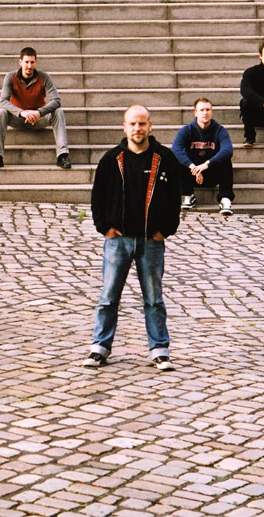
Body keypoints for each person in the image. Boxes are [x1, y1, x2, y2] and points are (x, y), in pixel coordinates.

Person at [83, 105, 181, 371]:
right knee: (108, 297)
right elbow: (97, 197)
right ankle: (99, 347)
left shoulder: (165, 158)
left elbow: (175, 197)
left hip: (151, 241)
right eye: (133, 124)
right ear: (124, 127)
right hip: (118, 240)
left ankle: (159, 350)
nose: (138, 129)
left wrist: (165, 230)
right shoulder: (111, 159)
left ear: (150, 126)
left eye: (142, 123)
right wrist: (104, 227)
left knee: (154, 299)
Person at [0, 47, 71, 170]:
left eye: (32, 62)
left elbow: (56, 100)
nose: (29, 66)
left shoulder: (44, 77)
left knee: (58, 112)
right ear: (20, 62)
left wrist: (39, 112)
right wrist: (22, 113)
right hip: (18, 118)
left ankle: (63, 155)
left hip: (39, 119)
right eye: (26, 62)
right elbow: (3, 102)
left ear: (36, 62)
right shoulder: (10, 77)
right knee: (1, 112)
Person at [172, 97, 235, 215]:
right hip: (192, 174)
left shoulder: (219, 130)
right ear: (195, 113)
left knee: (226, 160)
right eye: (201, 110)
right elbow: (176, 149)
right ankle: (188, 195)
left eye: (208, 110)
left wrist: (206, 164)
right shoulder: (187, 130)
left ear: (212, 112)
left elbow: (228, 150)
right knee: (177, 160)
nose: (205, 113)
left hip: (212, 172)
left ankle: (225, 199)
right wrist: (192, 167)